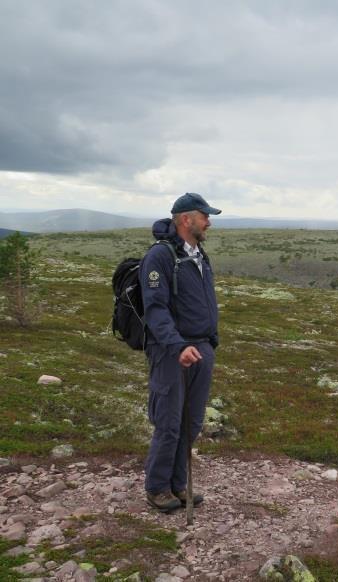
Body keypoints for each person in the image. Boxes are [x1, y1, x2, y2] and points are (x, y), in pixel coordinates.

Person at [140, 192, 221, 512]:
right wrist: (177, 346)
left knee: (191, 421)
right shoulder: (160, 257)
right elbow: (156, 310)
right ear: (186, 219)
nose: (209, 222)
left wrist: (209, 342)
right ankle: (157, 488)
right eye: (205, 216)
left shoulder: (199, 254)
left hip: (201, 348)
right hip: (171, 350)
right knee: (169, 421)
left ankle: (177, 485)